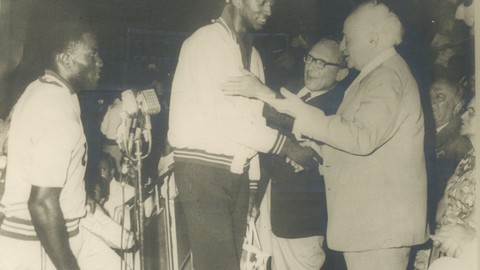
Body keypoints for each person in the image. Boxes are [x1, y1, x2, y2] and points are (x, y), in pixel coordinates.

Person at [223, 2, 429, 270]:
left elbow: (361, 137)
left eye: (347, 38)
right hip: (372, 227)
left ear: (372, 39)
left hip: (379, 227)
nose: (343, 47)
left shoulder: (387, 77)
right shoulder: (376, 76)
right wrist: (318, 152)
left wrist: (303, 115)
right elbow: (362, 142)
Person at [167, 0, 320, 269]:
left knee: (232, 263)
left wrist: (252, 184)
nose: (269, 10)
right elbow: (226, 121)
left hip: (236, 175)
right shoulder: (206, 43)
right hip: (202, 171)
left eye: (272, 3)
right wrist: (288, 147)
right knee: (218, 265)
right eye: (262, 1)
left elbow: (254, 121)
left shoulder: (254, 54)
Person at [0, 22, 125, 270]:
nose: (100, 62)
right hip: (37, 242)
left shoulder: (47, 89)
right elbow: (42, 204)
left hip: (65, 230)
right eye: (92, 54)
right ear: (65, 59)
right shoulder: (54, 109)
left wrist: (78, 192)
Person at [259, 38, 349, 270]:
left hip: (303, 220)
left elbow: (286, 118)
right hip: (273, 203)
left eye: (321, 63)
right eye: (309, 58)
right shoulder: (293, 87)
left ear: (341, 74)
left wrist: (262, 94)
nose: (311, 67)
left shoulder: (338, 105)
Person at [428, 94, 477, 270]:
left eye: (472, 112)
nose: (463, 115)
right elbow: (447, 196)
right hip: (448, 244)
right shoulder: (469, 159)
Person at [429, 79, 472, 206]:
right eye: (428, 96)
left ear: (457, 106)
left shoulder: (462, 143)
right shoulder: (426, 131)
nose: (430, 101)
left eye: (439, 96)